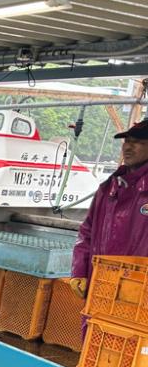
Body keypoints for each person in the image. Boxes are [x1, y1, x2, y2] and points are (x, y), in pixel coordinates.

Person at [70, 119, 148, 298]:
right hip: (100, 286)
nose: (128, 147)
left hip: (139, 293)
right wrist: (79, 271)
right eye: (127, 141)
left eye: (138, 142)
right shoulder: (107, 188)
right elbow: (86, 232)